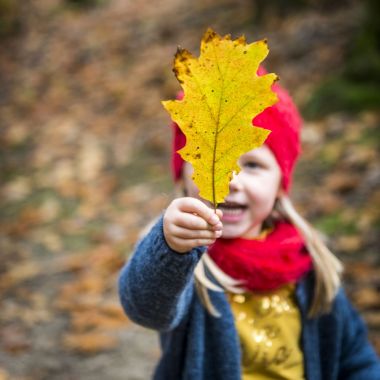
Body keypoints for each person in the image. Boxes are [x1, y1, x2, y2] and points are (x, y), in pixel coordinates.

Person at [118, 75, 380, 379]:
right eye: (210, 160)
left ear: (281, 183)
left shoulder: (309, 263)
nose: (230, 181)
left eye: (253, 165)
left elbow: (355, 358)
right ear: (182, 176)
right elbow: (145, 307)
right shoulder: (181, 257)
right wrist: (170, 248)